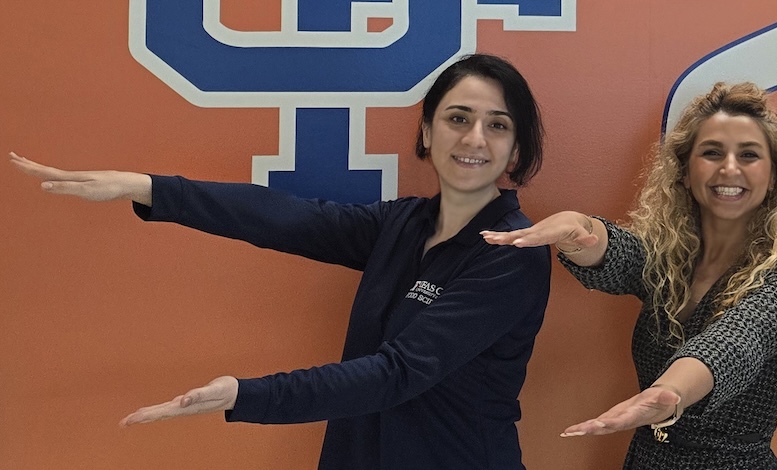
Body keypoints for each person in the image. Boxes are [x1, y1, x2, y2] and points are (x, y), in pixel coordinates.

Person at [9, 54, 552, 470]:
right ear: (428, 131)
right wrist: (149, 187)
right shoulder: (403, 223)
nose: (474, 138)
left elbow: (397, 374)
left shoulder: (513, 253)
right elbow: (287, 218)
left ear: (515, 148)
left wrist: (246, 395)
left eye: (497, 125)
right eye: (458, 118)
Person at [482, 81, 777, 469]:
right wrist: (578, 229)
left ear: (774, 175)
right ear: (684, 171)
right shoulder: (672, 260)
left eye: (749, 155)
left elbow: (738, 341)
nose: (730, 167)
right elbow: (621, 254)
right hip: (648, 459)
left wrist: (670, 391)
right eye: (712, 152)